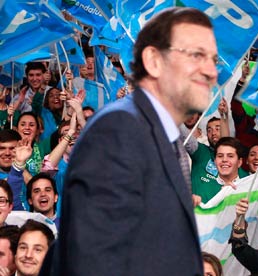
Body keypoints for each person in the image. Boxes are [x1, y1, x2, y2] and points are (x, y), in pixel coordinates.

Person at [43, 7, 218, 276]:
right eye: (197, 56)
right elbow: (92, 256)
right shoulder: (119, 130)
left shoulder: (170, 143)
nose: (210, 71)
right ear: (153, 60)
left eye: (213, 60)